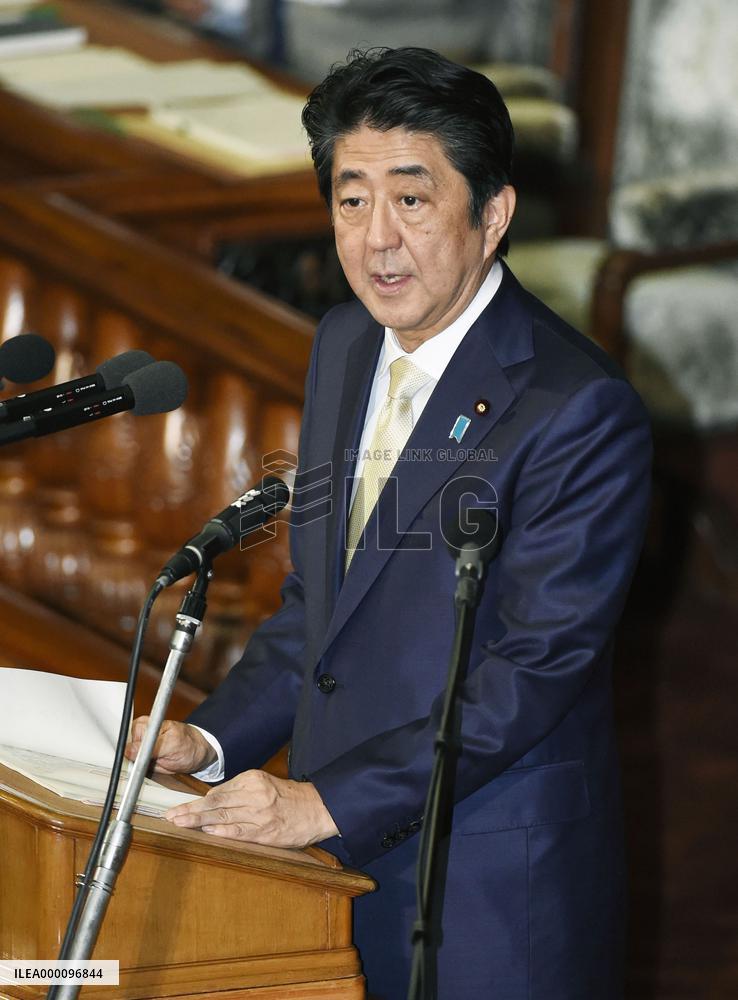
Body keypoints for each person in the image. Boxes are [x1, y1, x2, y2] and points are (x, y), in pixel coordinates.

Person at [126, 47, 652, 999]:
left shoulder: (578, 408)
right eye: (350, 198)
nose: (375, 240)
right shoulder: (343, 344)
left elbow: (531, 671)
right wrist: (205, 743)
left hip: (487, 882)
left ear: (492, 215)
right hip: (331, 865)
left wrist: (324, 802)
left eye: (411, 199)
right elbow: (319, 607)